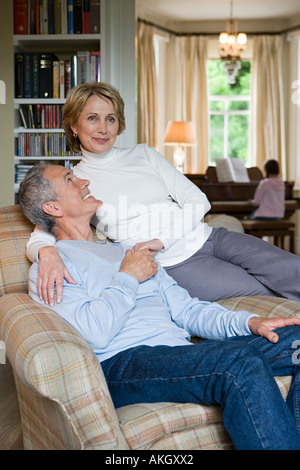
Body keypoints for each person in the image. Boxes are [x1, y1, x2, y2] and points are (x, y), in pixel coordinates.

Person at [18, 161, 300, 450]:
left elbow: (188, 311)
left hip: (179, 354)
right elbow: (95, 332)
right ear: (53, 208)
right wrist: (128, 276)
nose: (84, 183)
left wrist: (249, 322)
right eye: (70, 179)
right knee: (239, 361)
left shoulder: (128, 251)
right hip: (124, 363)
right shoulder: (51, 267)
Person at [24, 82, 300, 307]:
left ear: (119, 123)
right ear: (73, 126)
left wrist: (162, 239)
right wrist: (46, 253)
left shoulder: (143, 153)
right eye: (92, 118)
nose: (103, 128)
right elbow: (42, 231)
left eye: (111, 119)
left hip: (211, 237)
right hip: (175, 265)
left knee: (291, 270)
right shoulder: (74, 183)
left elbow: (198, 199)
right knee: (263, 292)